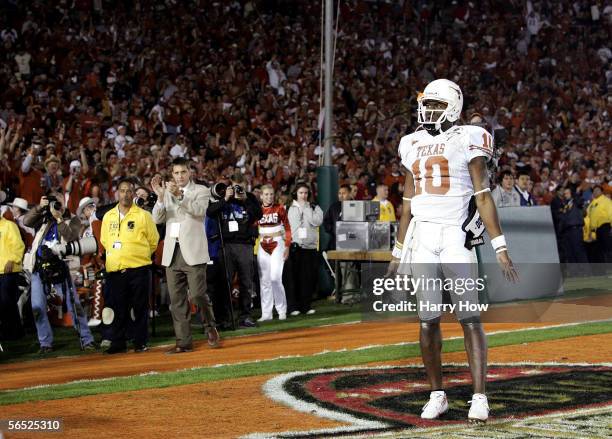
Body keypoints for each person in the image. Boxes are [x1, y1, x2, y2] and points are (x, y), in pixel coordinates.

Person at [388, 79, 518, 423]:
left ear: (453, 108)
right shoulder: (411, 142)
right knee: (427, 320)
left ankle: (479, 396)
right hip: (424, 237)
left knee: (469, 317)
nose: (427, 110)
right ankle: (437, 394)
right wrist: (399, 250)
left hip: (454, 238)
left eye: (434, 105)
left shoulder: (467, 137)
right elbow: (407, 203)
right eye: (425, 104)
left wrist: (499, 245)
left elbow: (483, 195)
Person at [151, 157, 219, 353]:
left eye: (183, 172)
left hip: (194, 250)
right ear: (171, 175)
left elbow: (198, 211)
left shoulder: (201, 191)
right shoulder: (167, 193)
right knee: (177, 300)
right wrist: (160, 197)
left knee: (197, 295)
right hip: (172, 251)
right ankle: (183, 343)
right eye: (176, 173)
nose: (179, 176)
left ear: (190, 173)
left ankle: (210, 325)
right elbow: (157, 218)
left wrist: (179, 195)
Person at [23, 193, 96, 354]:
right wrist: (39, 208)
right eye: (54, 202)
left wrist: (59, 219)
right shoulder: (43, 218)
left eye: (60, 202)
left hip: (62, 268)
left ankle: (87, 339)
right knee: (36, 307)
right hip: (39, 268)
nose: (58, 206)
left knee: (74, 306)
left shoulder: (73, 219)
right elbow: (25, 221)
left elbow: (70, 236)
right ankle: (45, 343)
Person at [100, 179, 159, 354]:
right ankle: (118, 342)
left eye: (129, 191)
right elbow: (104, 241)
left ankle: (140, 342)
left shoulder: (144, 215)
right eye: (122, 191)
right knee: (118, 307)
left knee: (140, 307)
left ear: (133, 194)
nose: (125, 194)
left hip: (139, 269)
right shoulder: (108, 216)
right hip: (115, 269)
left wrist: (136, 254)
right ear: (117, 193)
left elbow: (153, 241)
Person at [206, 174, 262, 328]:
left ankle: (245, 316)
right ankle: (224, 319)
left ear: (246, 184)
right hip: (227, 245)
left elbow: (259, 214)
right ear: (231, 185)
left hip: (245, 245)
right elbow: (210, 212)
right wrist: (225, 199)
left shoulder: (249, 197)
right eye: (236, 185)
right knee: (224, 282)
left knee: (246, 282)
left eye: (241, 185)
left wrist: (245, 200)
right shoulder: (225, 196)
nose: (238, 188)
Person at [287, 182, 324, 316]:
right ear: (295, 193)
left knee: (308, 279)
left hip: (310, 247)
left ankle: (306, 306)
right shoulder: (289, 208)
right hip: (295, 247)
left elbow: (317, 222)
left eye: (306, 193)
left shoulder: (314, 207)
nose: (303, 195)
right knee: (294, 278)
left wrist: (307, 208)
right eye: (301, 193)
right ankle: (293, 307)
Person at [257, 184, 291, 321]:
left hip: (278, 243)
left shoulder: (280, 208)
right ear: (261, 196)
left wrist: (287, 246)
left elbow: (288, 228)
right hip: (262, 244)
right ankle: (266, 314)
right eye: (266, 194)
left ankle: (281, 309)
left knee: (275, 278)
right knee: (264, 281)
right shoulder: (257, 210)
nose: (269, 196)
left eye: (271, 194)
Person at [0, 213, 25, 340]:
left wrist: (12, 259)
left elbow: (18, 245)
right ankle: (11, 332)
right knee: (4, 302)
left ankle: (13, 332)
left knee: (6, 301)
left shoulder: (9, 225)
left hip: (8, 270)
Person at [558, 188, 588, 263]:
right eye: (565, 193)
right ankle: (575, 272)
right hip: (567, 231)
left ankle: (585, 272)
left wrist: (575, 194)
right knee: (570, 252)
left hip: (576, 229)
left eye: (567, 193)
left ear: (572, 194)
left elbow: (580, 201)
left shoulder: (576, 202)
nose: (565, 195)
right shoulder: (565, 205)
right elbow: (563, 218)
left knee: (578, 250)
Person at [585, 186, 612, 263]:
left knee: (608, 248)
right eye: (594, 191)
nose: (595, 192)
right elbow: (587, 217)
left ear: (602, 192)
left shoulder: (606, 201)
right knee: (599, 251)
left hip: (605, 227)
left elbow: (611, 213)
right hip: (595, 231)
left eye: (597, 190)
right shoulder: (592, 204)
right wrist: (589, 232)